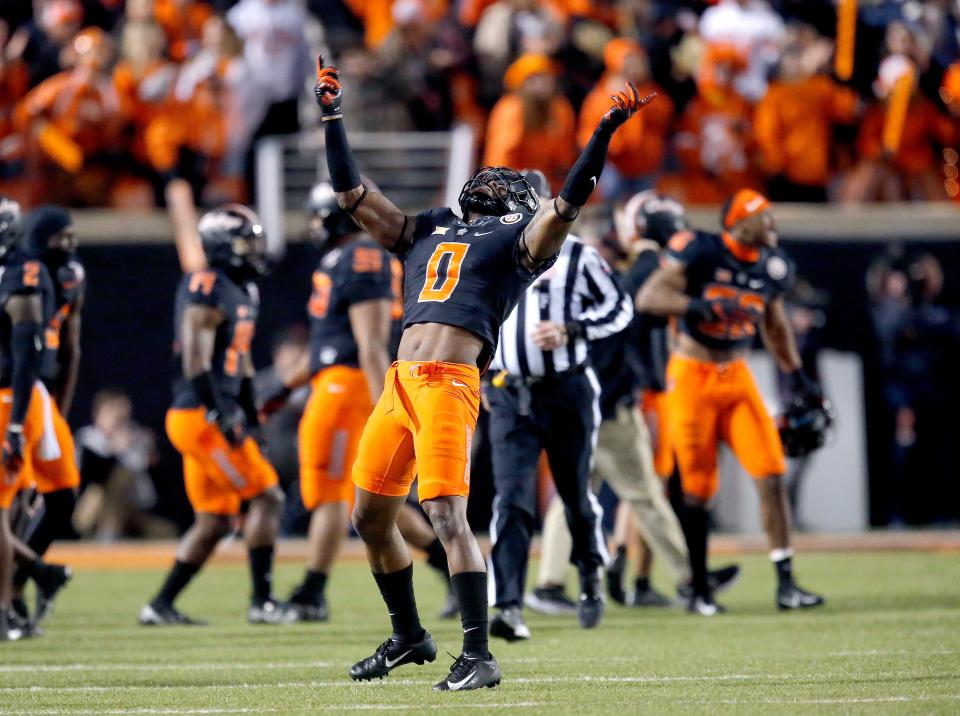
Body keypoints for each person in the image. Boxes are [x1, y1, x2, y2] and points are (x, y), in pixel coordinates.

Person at [315, 54, 653, 690]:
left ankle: (478, 653)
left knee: (447, 517)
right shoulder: (430, 228)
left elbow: (568, 203)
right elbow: (352, 195)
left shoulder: (518, 244)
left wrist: (604, 132)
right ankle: (410, 635)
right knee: (369, 517)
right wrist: (332, 115)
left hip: (447, 381)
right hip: (399, 383)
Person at [529, 192, 739, 613]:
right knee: (644, 493)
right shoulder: (644, 272)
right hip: (605, 404)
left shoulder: (606, 270)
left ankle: (549, 584)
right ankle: (689, 577)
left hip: (580, 395)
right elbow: (635, 311)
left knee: (577, 494)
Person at [637, 188, 825, 614]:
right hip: (691, 376)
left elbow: (775, 327)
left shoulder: (772, 266)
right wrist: (695, 304)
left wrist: (799, 376)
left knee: (771, 471)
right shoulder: (702, 251)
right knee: (698, 489)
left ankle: (786, 582)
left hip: (737, 375)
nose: (772, 223)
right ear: (740, 221)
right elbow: (649, 297)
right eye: (764, 215)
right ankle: (699, 588)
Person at [484, 169, 631, 641]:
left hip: (565, 389)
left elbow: (619, 308)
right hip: (510, 393)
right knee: (511, 500)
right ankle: (507, 606)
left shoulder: (576, 256)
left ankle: (589, 573)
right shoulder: (487, 254)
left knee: (574, 495)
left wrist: (573, 328)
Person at [139, 204, 288, 626]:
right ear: (223, 247)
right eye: (247, 242)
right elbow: (195, 360)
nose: (254, 250)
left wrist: (252, 418)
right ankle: (263, 601)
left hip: (205, 414)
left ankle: (159, 605)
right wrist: (224, 416)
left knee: (216, 521)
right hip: (199, 416)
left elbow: (239, 363)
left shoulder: (244, 289)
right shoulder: (206, 284)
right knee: (267, 496)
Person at [10, 206, 83, 625]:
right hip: (10, 393)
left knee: (60, 496)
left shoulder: (71, 278)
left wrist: (61, 411)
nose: (69, 245)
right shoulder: (19, 274)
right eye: (60, 236)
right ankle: (17, 592)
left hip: (38, 395)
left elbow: (71, 349)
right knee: (14, 501)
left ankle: (20, 580)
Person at [0, 196, 56, 640]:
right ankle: (38, 574)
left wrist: (17, 423)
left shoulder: (22, 273)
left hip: (6, 400)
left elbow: (24, 355)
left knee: (2, 511)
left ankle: (5, 611)